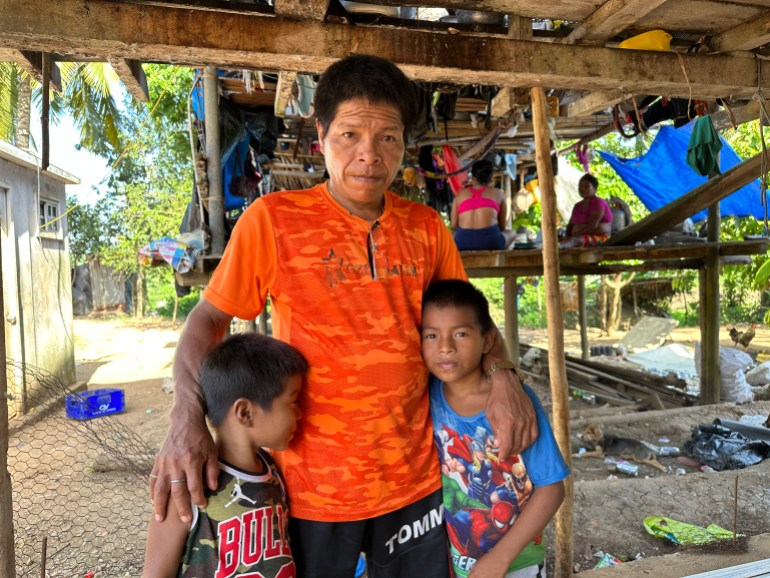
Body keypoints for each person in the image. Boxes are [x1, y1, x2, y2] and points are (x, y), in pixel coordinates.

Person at [151, 54, 538, 578]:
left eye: (387, 139)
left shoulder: (427, 229)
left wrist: (505, 374)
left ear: (404, 143)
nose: (369, 156)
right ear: (320, 134)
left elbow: (472, 328)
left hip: (417, 481)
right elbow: (208, 320)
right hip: (312, 493)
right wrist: (186, 416)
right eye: (350, 135)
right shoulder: (273, 221)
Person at [422, 280, 569, 578]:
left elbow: (552, 488)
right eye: (432, 335)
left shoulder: (514, 405)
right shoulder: (425, 396)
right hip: (455, 559)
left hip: (516, 564)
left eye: (461, 333)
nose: (446, 347)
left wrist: (500, 560)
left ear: (488, 341)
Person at [143, 333, 307, 577]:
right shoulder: (189, 484)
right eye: (293, 402)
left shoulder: (272, 470)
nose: (301, 413)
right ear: (245, 412)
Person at [451, 160, 516, 251]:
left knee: (451, 235)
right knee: (512, 233)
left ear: (473, 177)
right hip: (491, 242)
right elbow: (502, 227)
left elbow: (454, 225)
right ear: (491, 178)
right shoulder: (498, 194)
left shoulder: (460, 195)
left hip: (462, 243)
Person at [560, 173, 613, 248]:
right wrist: (567, 237)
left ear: (594, 188)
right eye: (580, 186)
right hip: (579, 238)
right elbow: (570, 226)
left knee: (572, 241)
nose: (582, 189)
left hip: (601, 239)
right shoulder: (577, 206)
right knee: (557, 241)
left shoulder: (598, 202)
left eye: (586, 186)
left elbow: (592, 226)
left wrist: (574, 236)